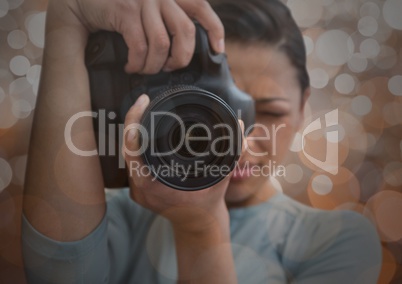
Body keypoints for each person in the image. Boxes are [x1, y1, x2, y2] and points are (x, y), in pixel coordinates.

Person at [22, 0, 382, 283]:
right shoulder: (113, 212)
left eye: (268, 114)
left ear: (304, 108)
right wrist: (66, 20)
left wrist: (200, 225)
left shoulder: (336, 241)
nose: (236, 142)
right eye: (208, 112)